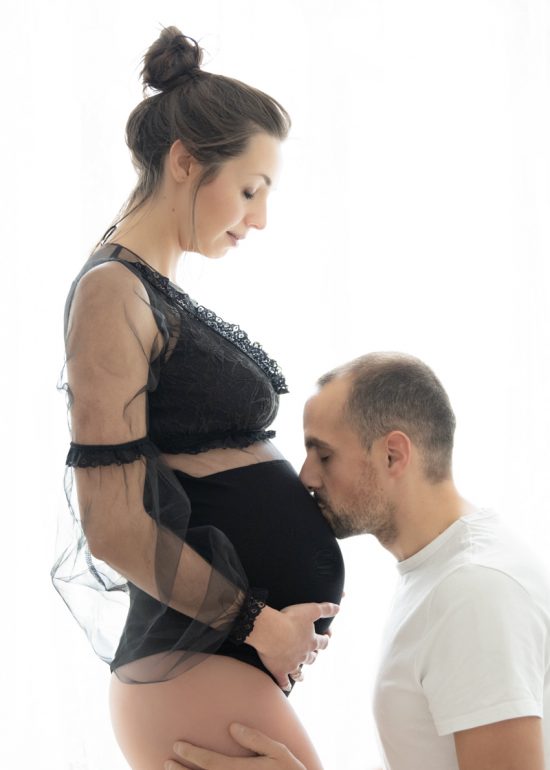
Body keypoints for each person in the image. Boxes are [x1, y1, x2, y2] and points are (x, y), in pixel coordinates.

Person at [51, 26, 344, 770]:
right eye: (249, 189)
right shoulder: (111, 292)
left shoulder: (148, 289)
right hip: (194, 661)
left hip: (210, 662)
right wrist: (259, 624)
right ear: (186, 162)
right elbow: (112, 524)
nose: (260, 217)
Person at [166, 352, 550, 770]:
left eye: (324, 455)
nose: (306, 477)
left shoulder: (474, 591)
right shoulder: (444, 574)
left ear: (393, 455)